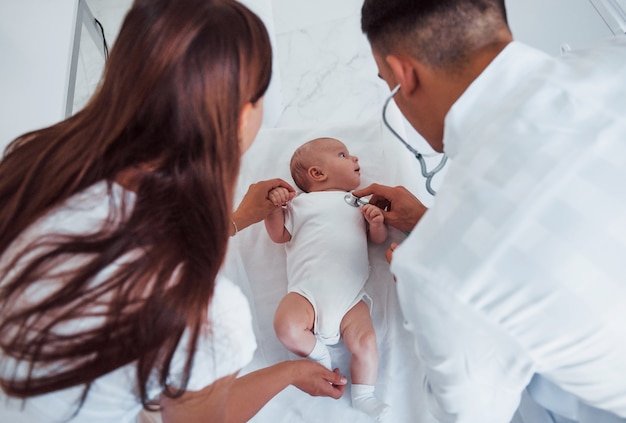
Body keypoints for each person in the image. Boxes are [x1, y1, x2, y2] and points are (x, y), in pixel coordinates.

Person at [0, 1, 347, 422]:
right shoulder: (209, 316)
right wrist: (289, 372)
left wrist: (233, 220)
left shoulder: (32, 161)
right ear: (240, 119)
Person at [355, 0, 626, 422]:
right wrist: (436, 227)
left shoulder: (435, 272)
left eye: (385, 82)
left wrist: (435, 262)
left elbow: (469, 416)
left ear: (404, 74)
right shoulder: (616, 55)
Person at [264, 137, 390, 421]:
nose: (355, 158)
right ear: (317, 174)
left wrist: (377, 224)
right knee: (285, 325)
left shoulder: (358, 203)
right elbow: (277, 235)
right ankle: (319, 354)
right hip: (306, 292)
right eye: (344, 154)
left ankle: (364, 396)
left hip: (350, 297)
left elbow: (375, 241)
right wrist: (272, 209)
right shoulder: (299, 205)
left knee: (366, 341)